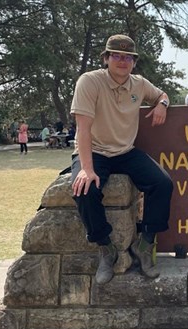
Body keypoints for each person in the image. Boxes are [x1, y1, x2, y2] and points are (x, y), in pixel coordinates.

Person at [70, 34, 173, 285]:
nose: (122, 61)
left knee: (163, 183)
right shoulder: (90, 81)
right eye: (116, 55)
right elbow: (83, 128)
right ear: (106, 58)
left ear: (134, 62)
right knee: (84, 190)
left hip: (125, 151)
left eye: (127, 57)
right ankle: (106, 248)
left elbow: (162, 94)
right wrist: (86, 168)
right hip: (94, 150)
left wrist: (162, 104)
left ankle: (145, 244)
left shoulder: (139, 84)